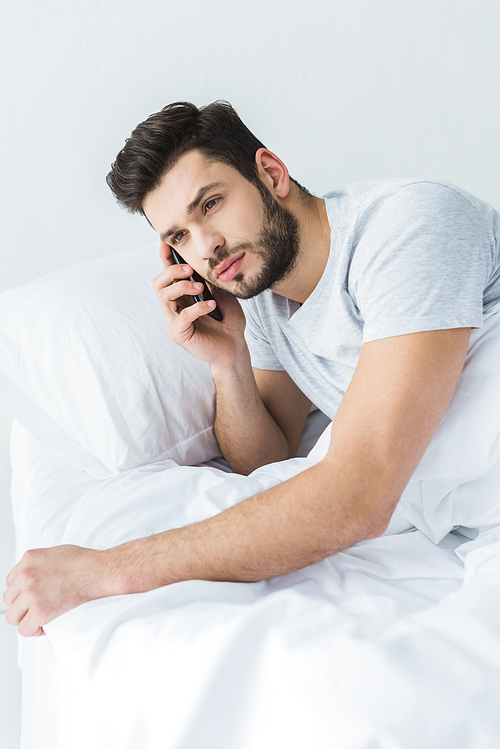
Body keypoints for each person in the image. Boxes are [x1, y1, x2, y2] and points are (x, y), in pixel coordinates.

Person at [4, 101, 500, 637]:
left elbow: (360, 498)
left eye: (211, 204)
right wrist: (229, 363)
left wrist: (104, 571)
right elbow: (268, 457)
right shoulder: (267, 301)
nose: (207, 248)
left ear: (270, 173)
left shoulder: (408, 227)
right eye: (179, 237)